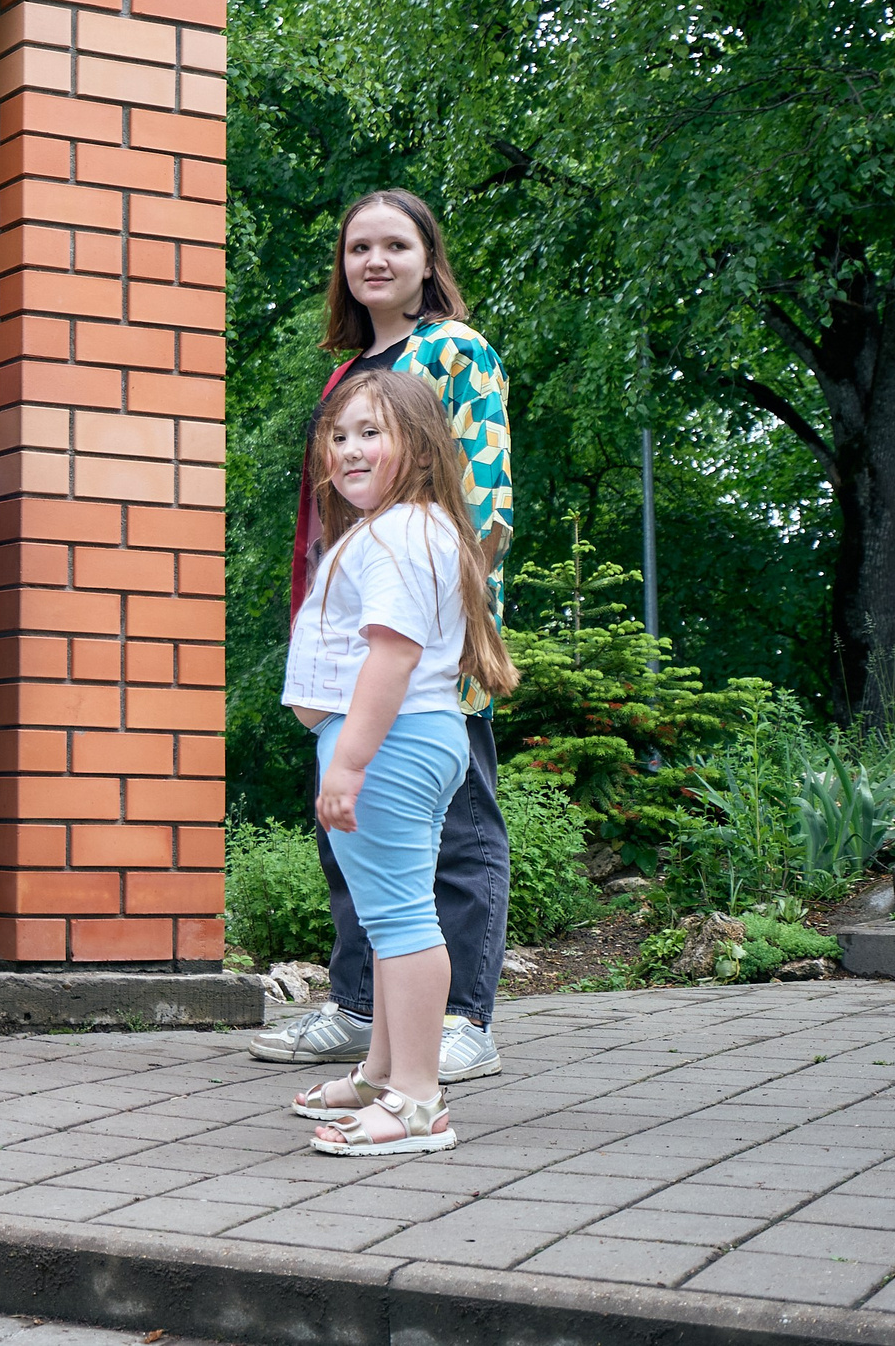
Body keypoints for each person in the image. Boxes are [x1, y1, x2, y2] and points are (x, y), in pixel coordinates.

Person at [251, 189, 516, 1081]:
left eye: (394, 244)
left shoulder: (456, 352)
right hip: (352, 627)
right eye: (357, 246)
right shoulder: (352, 368)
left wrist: (451, 623)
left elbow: (484, 498)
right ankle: (363, 1007)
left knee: (459, 825)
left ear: (427, 258)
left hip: (424, 636)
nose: (374, 260)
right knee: (351, 820)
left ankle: (463, 1019)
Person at [283, 371, 520, 1155]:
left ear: (417, 449)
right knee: (393, 917)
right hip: (407, 739)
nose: (349, 449)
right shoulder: (406, 528)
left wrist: (347, 763)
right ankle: (386, 1069)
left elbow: (392, 655)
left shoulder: (394, 535)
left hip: (384, 743)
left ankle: (419, 1100)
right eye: (341, 434)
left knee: (402, 920)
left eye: (371, 433)